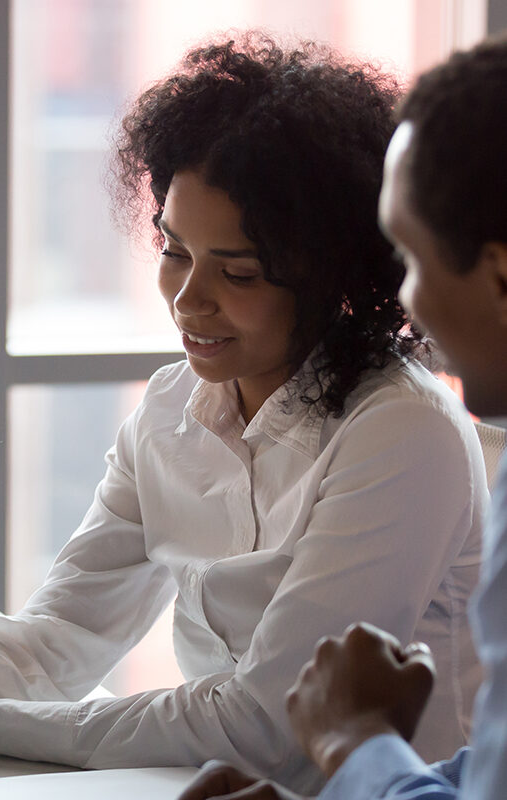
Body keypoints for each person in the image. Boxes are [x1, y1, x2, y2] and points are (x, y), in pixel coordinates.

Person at [0, 34, 488, 794]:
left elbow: (270, 722)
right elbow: (58, 643)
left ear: (327, 273)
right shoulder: (171, 408)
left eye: (236, 272)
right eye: (174, 251)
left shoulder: (400, 431)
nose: (185, 298)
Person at [178, 32, 507, 800]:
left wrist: (355, 739)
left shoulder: (405, 427)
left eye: (412, 260)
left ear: (496, 276)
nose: (405, 302)